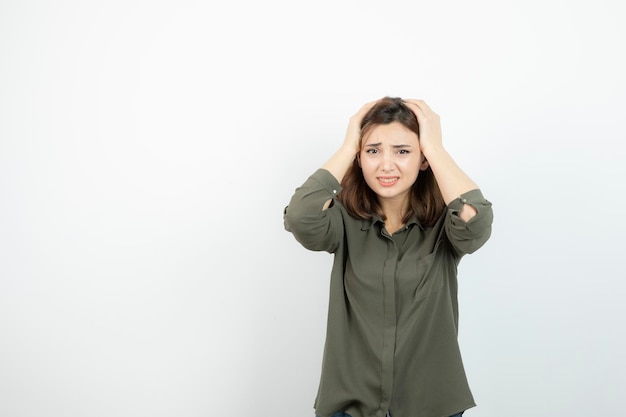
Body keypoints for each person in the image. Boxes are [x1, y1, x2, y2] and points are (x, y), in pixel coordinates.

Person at [283, 97, 493, 417]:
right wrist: (349, 144)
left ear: (422, 159)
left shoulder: (444, 226)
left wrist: (435, 149)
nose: (386, 164)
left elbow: (475, 222)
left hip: (432, 405)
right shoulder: (343, 220)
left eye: (403, 151)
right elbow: (301, 217)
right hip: (351, 406)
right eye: (373, 150)